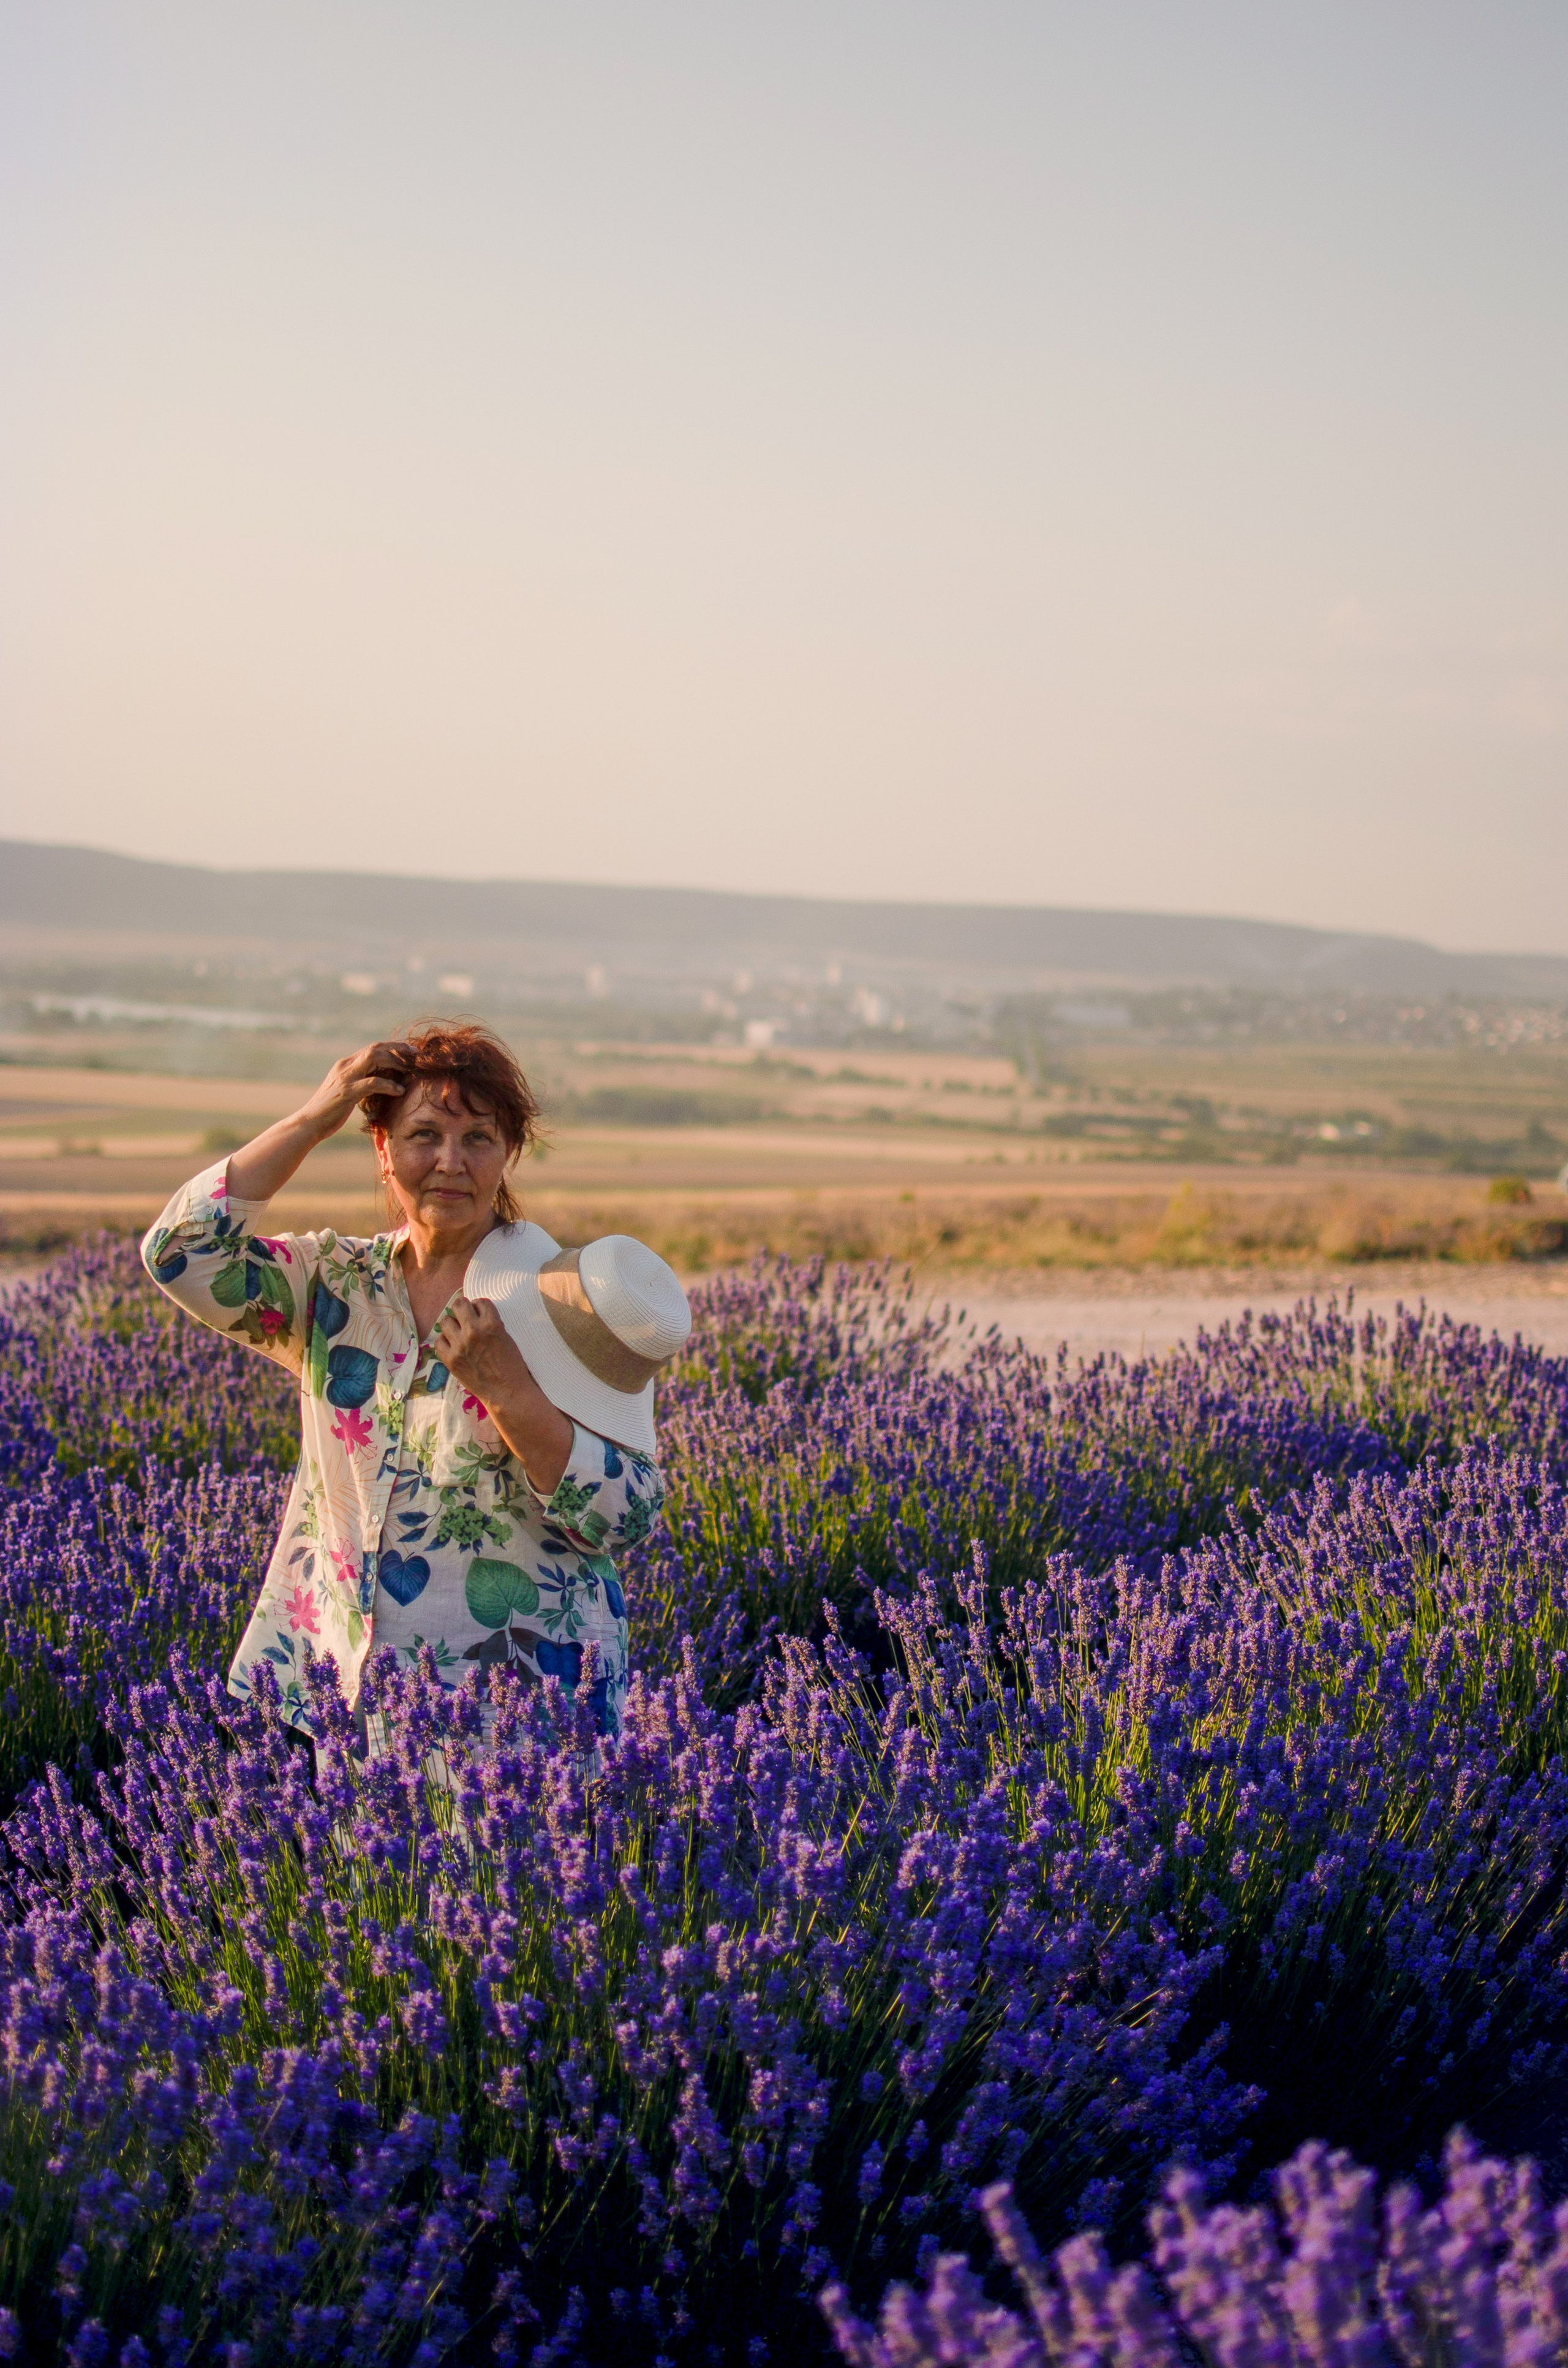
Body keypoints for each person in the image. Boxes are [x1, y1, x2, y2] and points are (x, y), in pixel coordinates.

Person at [141, 1022, 683, 1746]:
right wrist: (313, 1118)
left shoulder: (564, 1297)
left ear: (509, 1152)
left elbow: (628, 1513)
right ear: (381, 1146)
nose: (449, 1163)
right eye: (424, 1134)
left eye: (479, 1138)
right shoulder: (334, 1286)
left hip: (524, 1714)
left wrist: (511, 1391)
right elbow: (181, 1251)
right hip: (356, 1699)